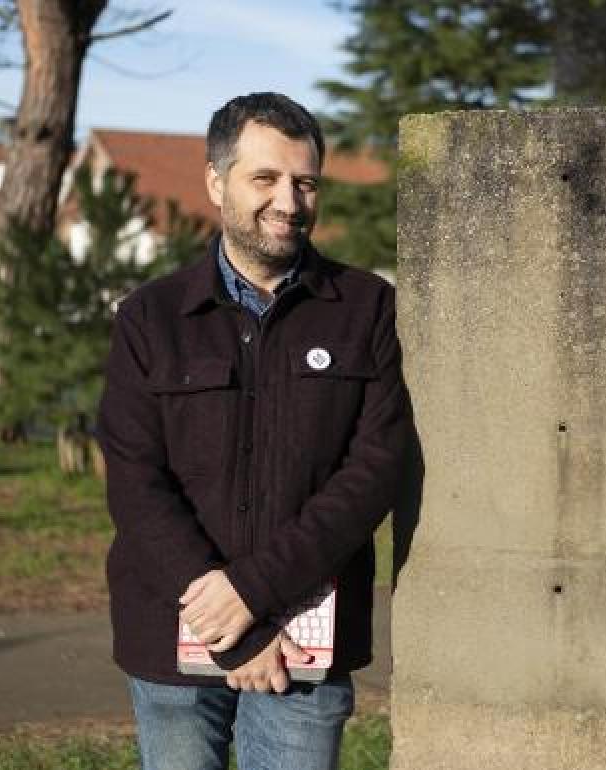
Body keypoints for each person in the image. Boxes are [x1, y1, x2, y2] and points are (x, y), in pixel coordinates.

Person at [96, 92, 410, 770]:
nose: (288, 202)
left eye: (304, 182)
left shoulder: (367, 310)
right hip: (173, 638)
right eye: (264, 179)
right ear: (216, 181)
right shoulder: (150, 319)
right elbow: (134, 480)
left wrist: (252, 596)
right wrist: (228, 623)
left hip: (305, 650)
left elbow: (374, 469)